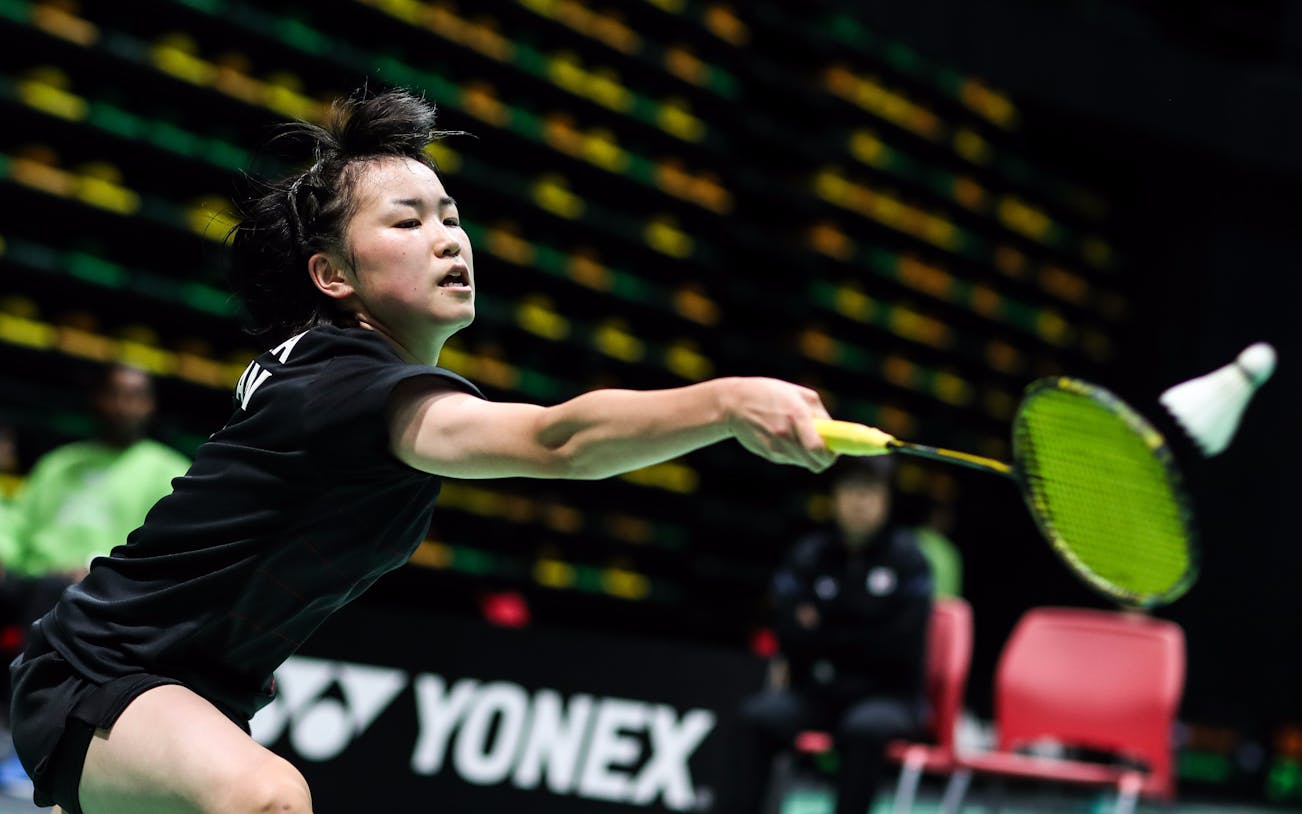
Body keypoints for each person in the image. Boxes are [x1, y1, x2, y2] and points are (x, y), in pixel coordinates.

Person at [7, 87, 838, 814]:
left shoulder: (328, 373)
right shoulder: (344, 389)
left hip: (187, 692)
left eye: (450, 216)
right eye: (407, 222)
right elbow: (559, 441)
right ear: (332, 275)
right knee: (264, 798)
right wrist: (727, 403)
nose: (448, 238)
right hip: (101, 674)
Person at [722, 456, 933, 814]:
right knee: (755, 718)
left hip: (888, 697)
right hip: (817, 694)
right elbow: (787, 634)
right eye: (850, 490)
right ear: (834, 497)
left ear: (886, 499)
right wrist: (862, 627)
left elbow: (900, 646)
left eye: (869, 491)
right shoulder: (810, 555)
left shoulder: (910, 560)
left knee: (862, 729)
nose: (859, 501)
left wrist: (824, 630)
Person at [0, 365, 189, 584]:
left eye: (134, 396)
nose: (122, 406)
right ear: (97, 398)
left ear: (150, 404)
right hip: (37, 584)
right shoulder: (58, 463)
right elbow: (16, 524)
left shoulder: (171, 471)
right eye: (113, 394)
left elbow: (170, 550)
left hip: (113, 592)